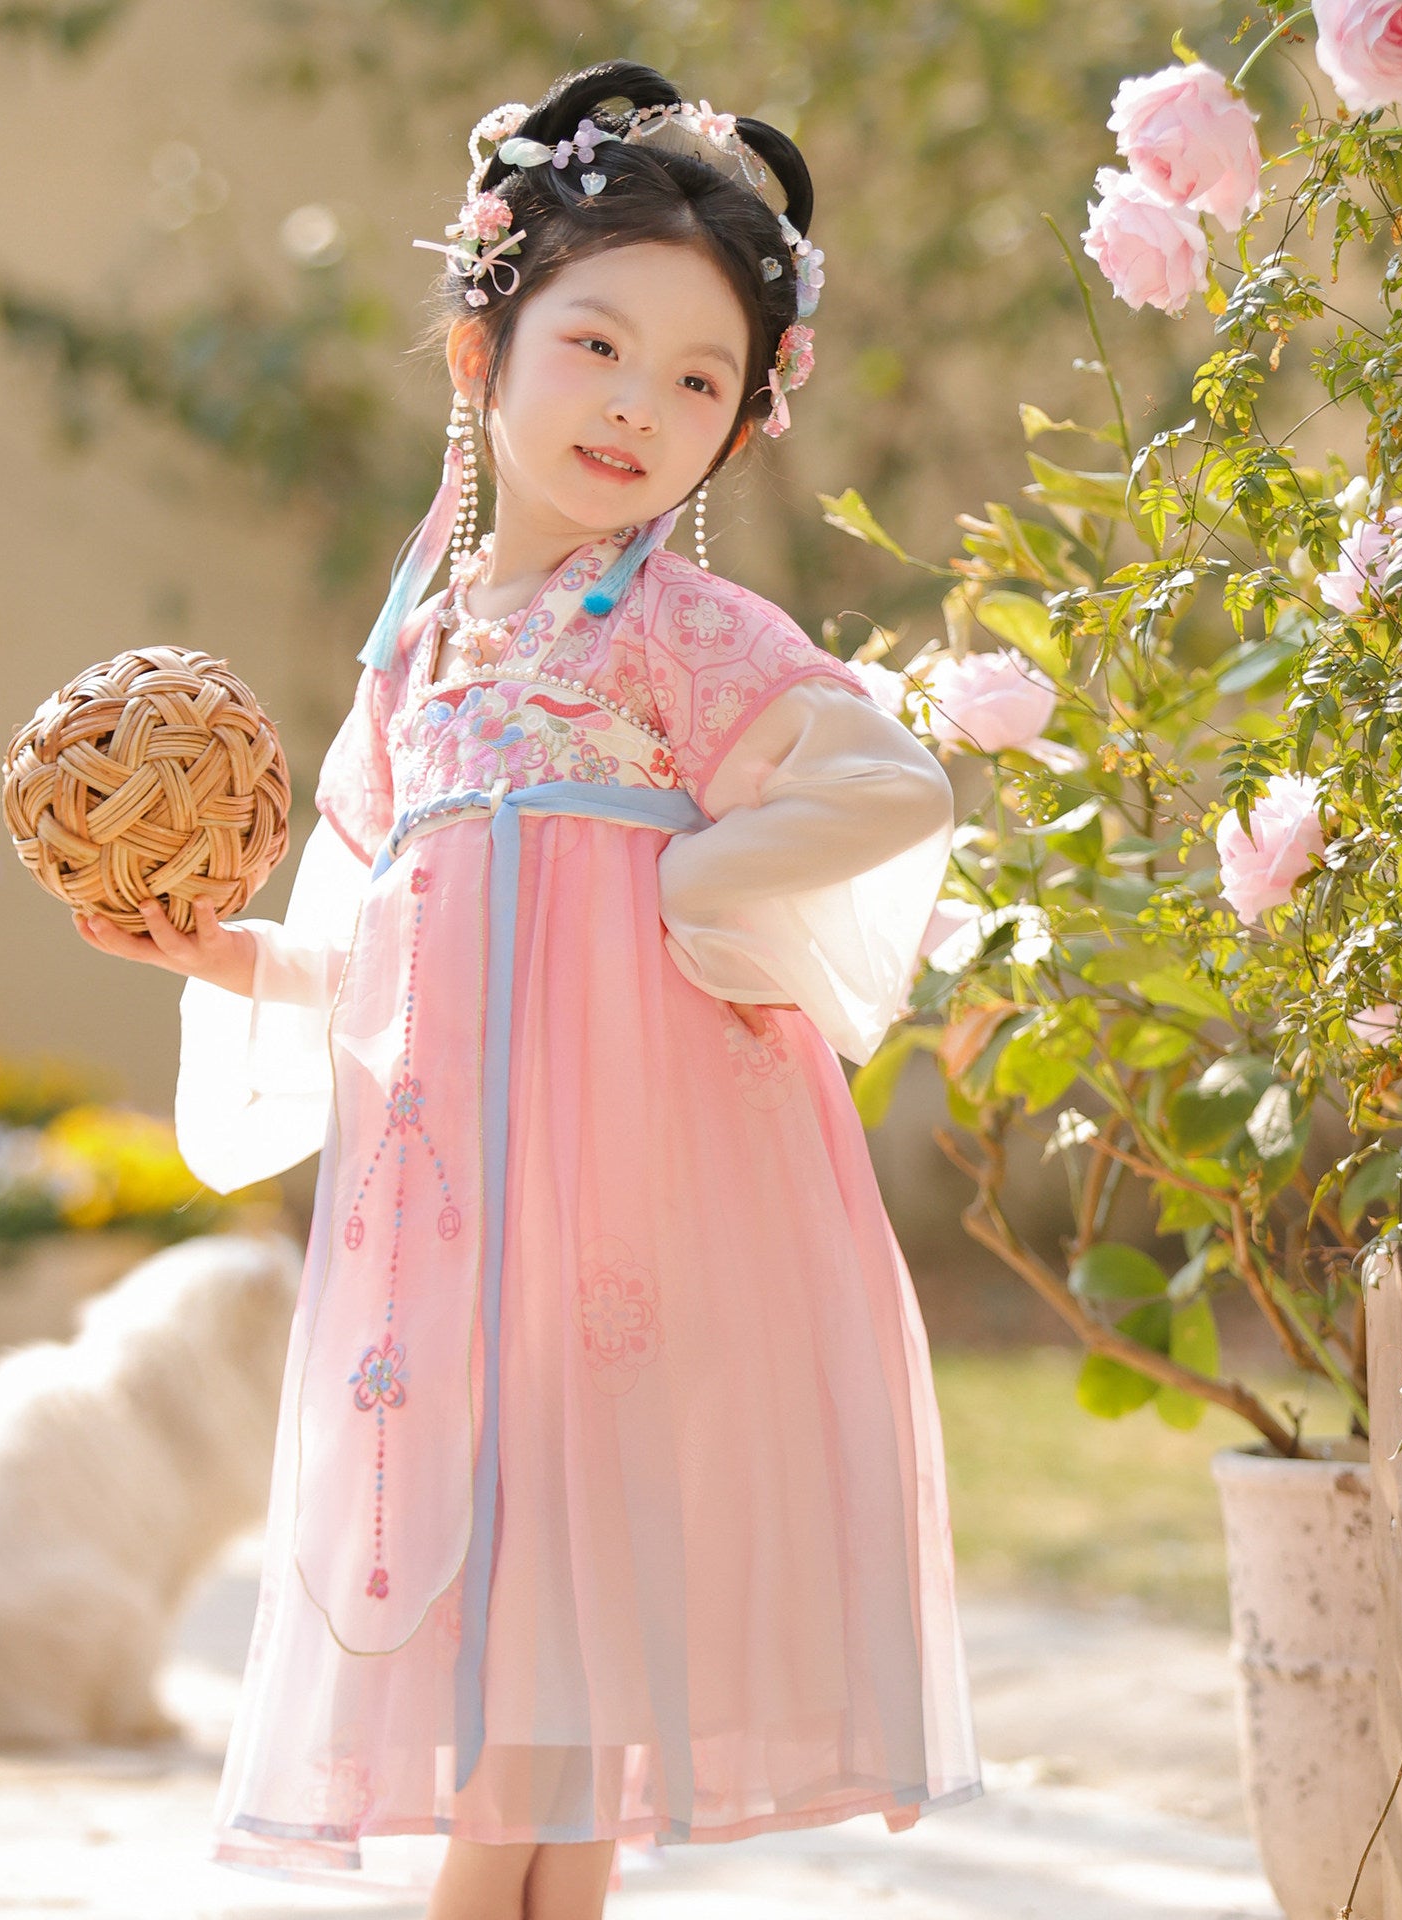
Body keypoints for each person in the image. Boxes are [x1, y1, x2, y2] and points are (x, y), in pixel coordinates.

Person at [73, 58, 982, 1920]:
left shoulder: (679, 632)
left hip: (621, 1229)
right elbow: (383, 947)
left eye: (699, 380)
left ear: (740, 428)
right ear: (483, 349)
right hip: (455, 1236)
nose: (641, 408)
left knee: (536, 1714)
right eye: (600, 346)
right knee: (534, 1724)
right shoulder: (418, 654)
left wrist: (694, 882)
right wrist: (220, 951)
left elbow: (897, 783)